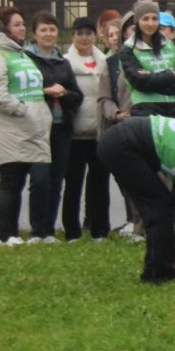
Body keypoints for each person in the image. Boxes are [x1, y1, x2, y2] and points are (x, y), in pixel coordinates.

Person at [97, 114, 175, 283]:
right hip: (120, 145)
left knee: (162, 206)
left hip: (121, 140)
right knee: (158, 208)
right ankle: (158, 273)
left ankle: (159, 267)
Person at [0, 7, 54, 244]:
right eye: (17, 24)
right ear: (4, 28)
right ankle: (6, 235)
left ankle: (15, 233)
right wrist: (20, 108)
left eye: (23, 24)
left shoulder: (19, 54)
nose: (22, 28)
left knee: (21, 180)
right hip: (10, 126)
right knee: (10, 180)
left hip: (29, 127)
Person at [25, 12, 81, 242]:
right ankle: (36, 230)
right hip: (37, 127)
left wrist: (64, 92)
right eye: (43, 30)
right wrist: (46, 92)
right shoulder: (26, 59)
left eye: (52, 29)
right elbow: (23, 91)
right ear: (34, 34)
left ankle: (48, 230)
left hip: (62, 127)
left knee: (56, 179)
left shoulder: (63, 62)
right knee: (39, 179)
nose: (48, 34)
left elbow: (77, 95)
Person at [62, 17, 110, 241]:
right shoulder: (64, 63)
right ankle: (72, 231)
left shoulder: (104, 61)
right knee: (73, 183)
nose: (84, 38)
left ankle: (99, 228)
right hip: (74, 133)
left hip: (99, 133)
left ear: (95, 36)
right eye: (80, 33)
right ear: (73, 37)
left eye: (89, 33)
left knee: (99, 184)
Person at [117, 0, 175, 120]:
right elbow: (139, 81)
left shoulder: (171, 46)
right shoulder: (128, 49)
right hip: (145, 110)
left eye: (154, 18)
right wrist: (169, 76)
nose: (150, 23)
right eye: (145, 19)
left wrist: (152, 80)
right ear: (137, 21)